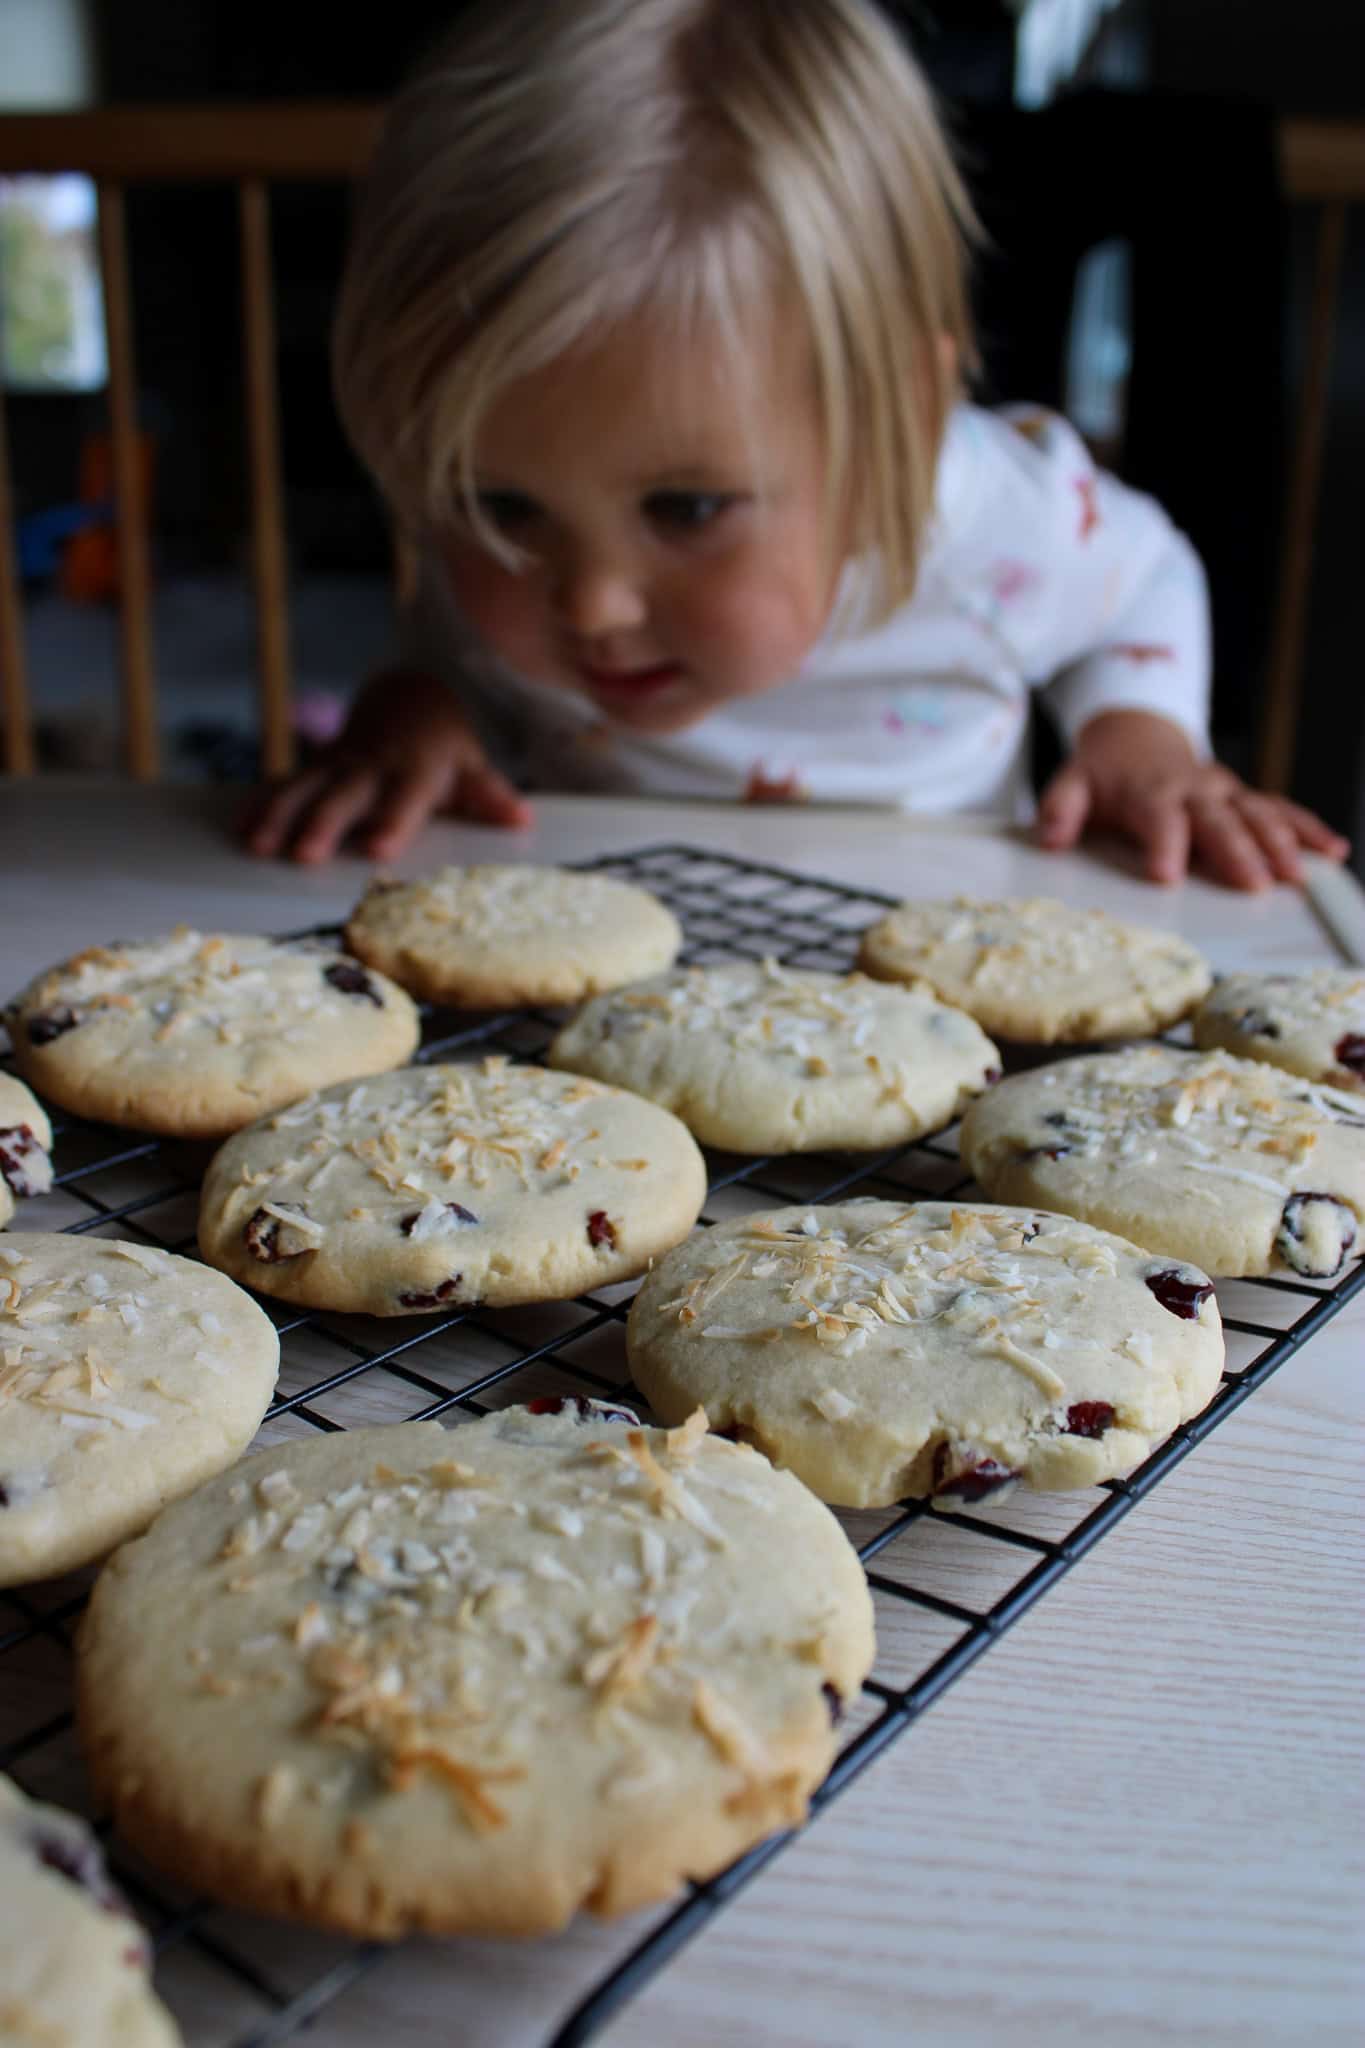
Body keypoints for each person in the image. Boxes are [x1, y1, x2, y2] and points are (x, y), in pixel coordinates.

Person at [244, 0, 1348, 891]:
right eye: (501, 505)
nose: (589, 605)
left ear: (899, 428)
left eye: (684, 507)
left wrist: (1143, 734)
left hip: (941, 975)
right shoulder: (511, 576)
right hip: (589, 970)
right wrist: (419, 711)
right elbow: (460, 654)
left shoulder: (987, 518)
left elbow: (1143, 572)